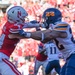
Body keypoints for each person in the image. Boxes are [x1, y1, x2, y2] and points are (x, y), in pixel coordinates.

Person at [9, 7, 75, 75]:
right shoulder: (54, 28)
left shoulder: (62, 25)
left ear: (50, 19)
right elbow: (44, 40)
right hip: (69, 57)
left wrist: (26, 34)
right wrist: (35, 29)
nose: (44, 21)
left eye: (45, 19)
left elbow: (48, 35)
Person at [0, 5, 42, 75]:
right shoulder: (13, 27)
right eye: (23, 18)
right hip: (1, 57)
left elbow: (25, 25)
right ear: (16, 18)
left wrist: (39, 25)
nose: (24, 19)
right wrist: (38, 33)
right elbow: (23, 33)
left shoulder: (10, 24)